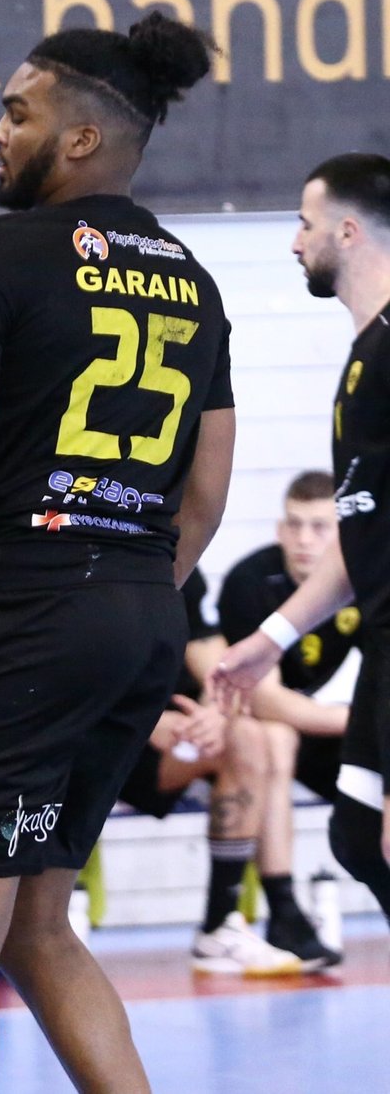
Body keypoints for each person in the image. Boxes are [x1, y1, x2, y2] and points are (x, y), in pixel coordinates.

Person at [0, 13, 230, 1093]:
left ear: (79, 138)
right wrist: (124, 591)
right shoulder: (192, 278)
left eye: (17, 113)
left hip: (18, 625)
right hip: (138, 619)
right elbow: (205, 493)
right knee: (38, 923)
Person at [214, 153, 390, 925]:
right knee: (358, 838)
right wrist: (270, 640)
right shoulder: (366, 354)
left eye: (304, 224)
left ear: (348, 232)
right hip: (381, 643)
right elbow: (363, 531)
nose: (294, 242)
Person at [113, 568, 310, 975]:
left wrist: (214, 712)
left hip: (167, 739)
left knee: (249, 738)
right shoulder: (82, 559)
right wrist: (143, 722)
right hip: (91, 733)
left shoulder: (172, 560)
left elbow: (211, 658)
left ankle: (220, 924)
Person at [217, 470, 356, 965]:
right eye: (294, 525)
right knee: (274, 736)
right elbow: (265, 700)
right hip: (236, 722)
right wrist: (354, 722)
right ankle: (282, 909)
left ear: (343, 533)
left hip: (311, 722)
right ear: (279, 530)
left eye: (319, 527)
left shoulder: (364, 580)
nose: (304, 540)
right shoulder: (250, 581)